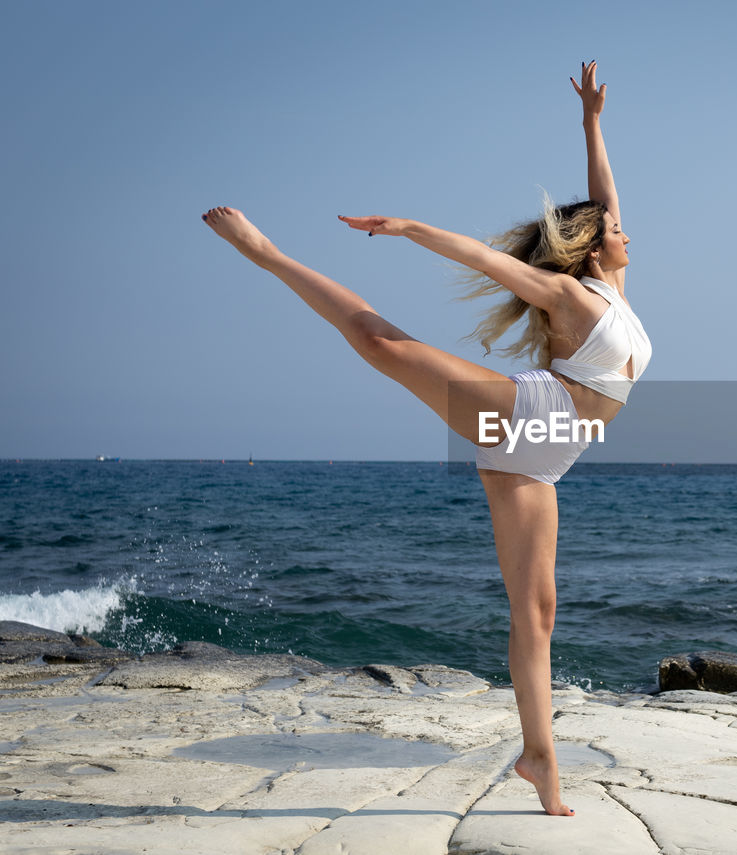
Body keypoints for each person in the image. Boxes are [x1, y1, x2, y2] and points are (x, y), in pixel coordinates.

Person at [201, 61, 649, 817]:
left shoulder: (611, 288)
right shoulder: (571, 293)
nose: (625, 228)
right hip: (532, 417)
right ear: (594, 247)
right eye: (614, 230)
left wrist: (592, 122)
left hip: (549, 459)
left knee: (537, 610)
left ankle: (539, 755)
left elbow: (605, 197)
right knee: (386, 346)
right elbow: (488, 259)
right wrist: (410, 228)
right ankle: (269, 255)